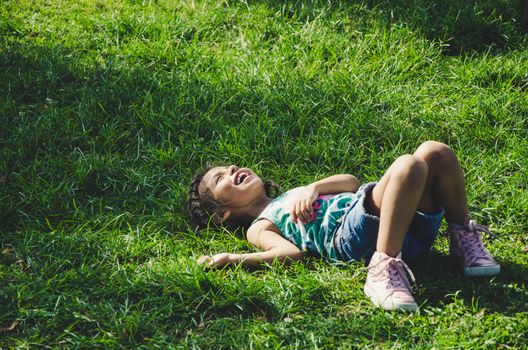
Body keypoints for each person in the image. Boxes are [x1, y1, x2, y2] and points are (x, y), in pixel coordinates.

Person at [187, 141, 500, 311]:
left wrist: (314, 187)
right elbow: (290, 253)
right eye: (220, 179)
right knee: (411, 164)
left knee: (436, 152)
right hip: (351, 237)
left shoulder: (293, 194)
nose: (231, 169)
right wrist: (233, 259)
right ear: (221, 215)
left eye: (229, 167)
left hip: (402, 229)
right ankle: (383, 268)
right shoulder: (260, 225)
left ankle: (463, 241)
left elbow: (351, 183)